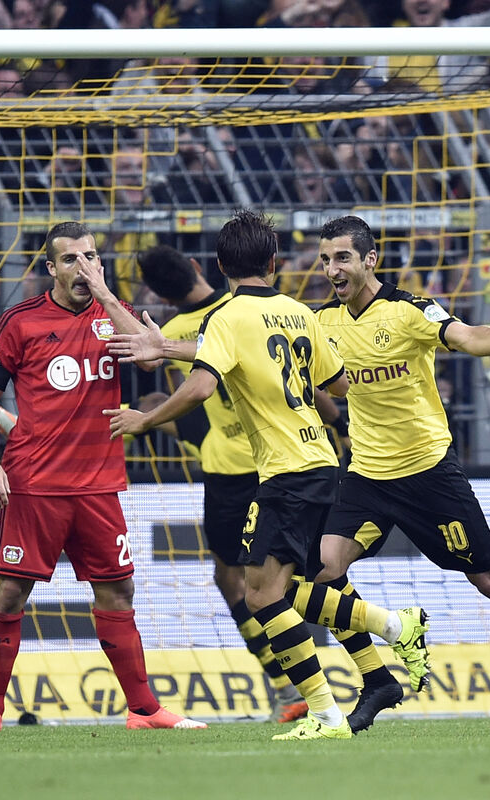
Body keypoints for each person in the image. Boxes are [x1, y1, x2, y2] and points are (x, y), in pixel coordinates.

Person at [104, 209, 429, 741]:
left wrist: (146, 419)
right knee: (293, 588)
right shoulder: (299, 312)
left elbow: (201, 387)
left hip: (284, 470)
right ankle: (389, 637)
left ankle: (335, 702)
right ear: (273, 262)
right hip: (321, 458)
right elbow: (338, 386)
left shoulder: (226, 317)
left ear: (219, 264)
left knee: (259, 596)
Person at [310, 214, 490, 734]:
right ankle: (376, 678)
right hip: (367, 474)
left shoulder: (409, 310)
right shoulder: (321, 321)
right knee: (321, 571)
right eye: (326, 259)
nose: (332, 269)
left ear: (370, 260)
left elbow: (465, 336)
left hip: (428, 472)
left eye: (343, 258)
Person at [0, 220, 206, 733]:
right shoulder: (19, 322)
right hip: (34, 484)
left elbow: (150, 357)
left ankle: (143, 710)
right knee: (10, 595)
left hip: (99, 485)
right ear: (51, 268)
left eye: (90, 257)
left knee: (118, 593)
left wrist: (106, 296)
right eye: (71, 259)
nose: (83, 267)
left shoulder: (112, 316)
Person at [133, 244, 309, 723]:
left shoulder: (173, 330)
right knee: (297, 573)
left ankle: (288, 684)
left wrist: (107, 295)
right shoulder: (244, 308)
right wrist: (338, 424)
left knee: (235, 578)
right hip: (284, 454)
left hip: (230, 466)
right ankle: (339, 668)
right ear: (197, 266)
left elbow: (155, 362)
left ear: (158, 295)